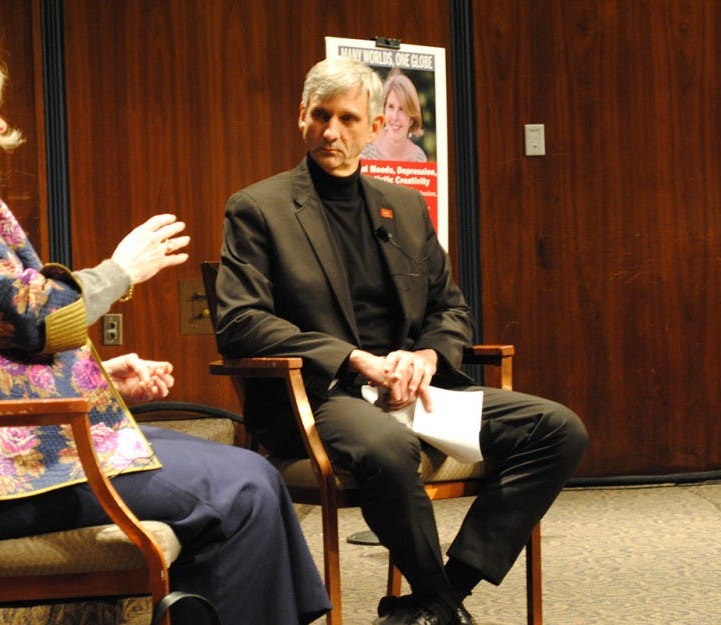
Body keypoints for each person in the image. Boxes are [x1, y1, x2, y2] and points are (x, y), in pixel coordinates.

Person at [0, 27, 330, 625]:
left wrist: (98, 377)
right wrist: (121, 270)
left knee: (248, 475)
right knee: (246, 488)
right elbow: (30, 315)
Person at [214, 56, 588, 625]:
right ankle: (439, 603)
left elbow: (450, 308)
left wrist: (427, 355)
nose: (331, 132)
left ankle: (439, 596)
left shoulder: (405, 206)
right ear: (301, 118)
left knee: (558, 429)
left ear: (373, 128)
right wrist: (354, 358)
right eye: (320, 116)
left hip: (417, 390)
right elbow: (240, 321)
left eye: (346, 119)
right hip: (323, 395)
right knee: (388, 449)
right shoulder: (258, 208)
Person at [360, 68, 427, 162]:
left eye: (402, 109)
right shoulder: (366, 146)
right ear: (384, 110)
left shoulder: (419, 158)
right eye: (391, 107)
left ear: (411, 118)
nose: (395, 117)